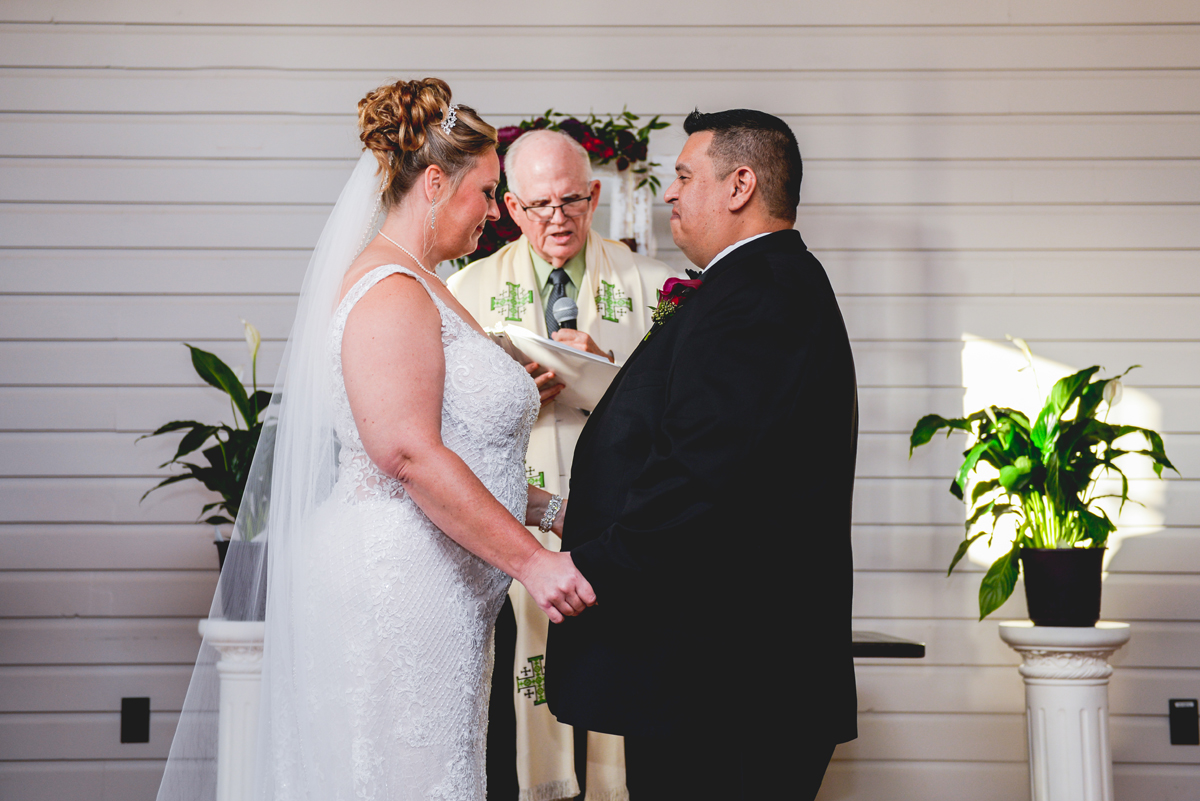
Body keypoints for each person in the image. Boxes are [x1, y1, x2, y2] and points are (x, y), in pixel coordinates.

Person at [157, 78, 595, 801]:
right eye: (485, 192)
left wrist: (551, 510)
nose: (494, 213)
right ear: (433, 182)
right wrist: (532, 563)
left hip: (438, 582)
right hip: (398, 581)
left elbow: (462, 444)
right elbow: (405, 451)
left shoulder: (426, 278)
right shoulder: (392, 290)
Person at [545, 108, 859, 801]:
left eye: (685, 175)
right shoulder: (756, 287)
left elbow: (700, 477)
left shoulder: (760, 297)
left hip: (732, 686)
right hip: (717, 678)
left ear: (740, 184)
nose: (670, 194)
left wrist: (583, 567)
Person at [447, 129, 674, 800]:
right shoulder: (465, 289)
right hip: (517, 524)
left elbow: (689, 414)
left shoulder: (656, 287)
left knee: (621, 681)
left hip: (623, 526)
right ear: (511, 207)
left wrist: (609, 372)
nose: (557, 218)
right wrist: (513, 390)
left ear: (595, 194)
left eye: (572, 200)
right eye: (539, 204)